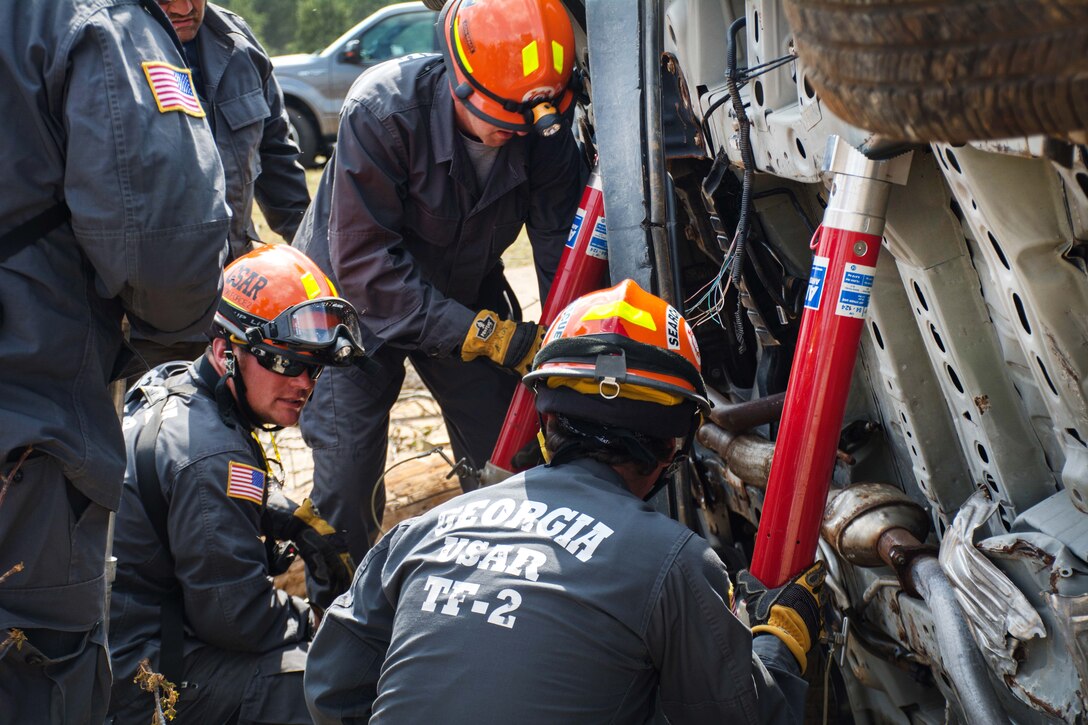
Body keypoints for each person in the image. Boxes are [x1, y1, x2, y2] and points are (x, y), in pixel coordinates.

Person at [304, 280, 823, 724]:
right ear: (674, 444)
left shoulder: (425, 529)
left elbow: (332, 686)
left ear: (547, 422)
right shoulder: (674, 563)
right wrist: (779, 643)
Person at [292, 0, 585, 582]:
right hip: (353, 308)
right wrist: (484, 335)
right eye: (500, 121)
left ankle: (503, 591)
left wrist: (564, 340)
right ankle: (338, 616)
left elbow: (561, 247)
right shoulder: (381, 112)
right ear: (458, 77)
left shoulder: (539, 123)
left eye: (523, 125)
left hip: (461, 289)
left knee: (510, 452)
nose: (512, 136)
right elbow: (366, 265)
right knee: (347, 481)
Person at [0, 1, 230, 723]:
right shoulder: (92, 21)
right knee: (37, 668)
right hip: (29, 430)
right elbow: (167, 244)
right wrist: (156, 343)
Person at [106, 245, 365, 724]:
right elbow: (236, 618)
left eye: (315, 366)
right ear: (226, 351)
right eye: (287, 363)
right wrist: (315, 620)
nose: (305, 382)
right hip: (139, 680)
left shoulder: (172, 384)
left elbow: (179, 475)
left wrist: (275, 507)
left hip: (115, 640)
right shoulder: (214, 457)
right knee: (325, 681)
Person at [131, 0, 312, 373]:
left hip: (235, 302)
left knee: (224, 423)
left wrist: (313, 257)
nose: (183, 7)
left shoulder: (237, 43)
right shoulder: (108, 49)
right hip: (145, 319)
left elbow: (277, 157)